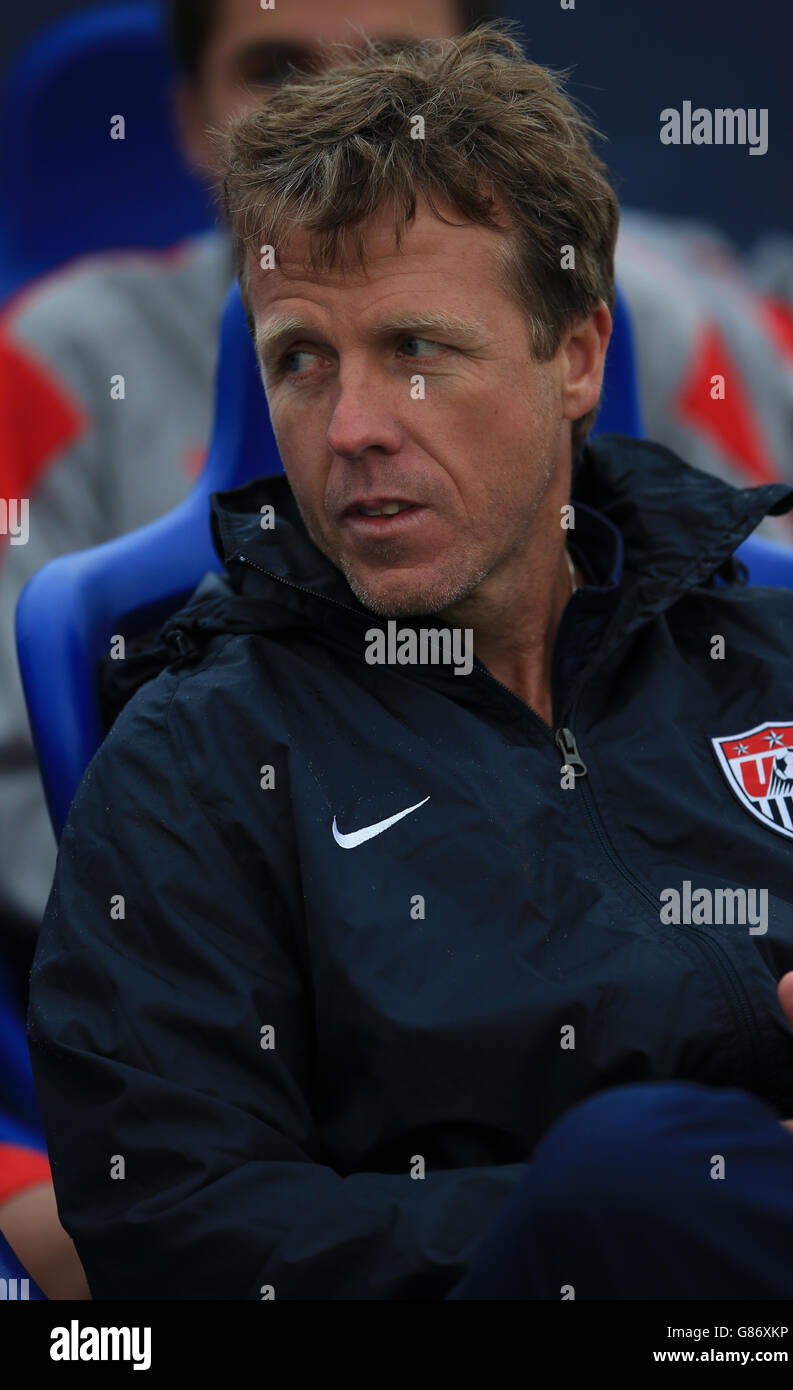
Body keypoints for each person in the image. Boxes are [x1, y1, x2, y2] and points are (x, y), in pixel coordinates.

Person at [26, 25, 793, 1300]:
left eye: (415, 350)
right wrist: (606, 1217)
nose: (350, 431)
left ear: (573, 353)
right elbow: (178, 1227)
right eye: (301, 361)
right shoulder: (195, 763)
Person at [0, 0, 485, 1299]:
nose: (343, 112)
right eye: (274, 71)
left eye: (396, 72)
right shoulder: (51, 361)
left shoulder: (636, 325)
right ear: (186, 119)